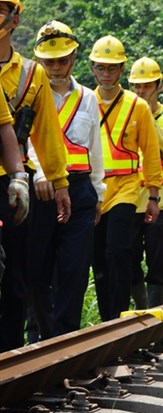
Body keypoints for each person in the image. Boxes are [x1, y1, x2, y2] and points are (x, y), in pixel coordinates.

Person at [0, 0, 70, 352]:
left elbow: (46, 134)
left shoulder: (30, 75)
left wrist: (59, 184)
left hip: (12, 182)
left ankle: (9, 354)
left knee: (15, 273)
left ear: (14, 19)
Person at [26, 21, 105, 339]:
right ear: (40, 61)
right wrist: (42, 174)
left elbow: (94, 148)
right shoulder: (28, 94)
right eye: (49, 61)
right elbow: (26, 141)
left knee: (74, 268)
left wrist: (98, 192)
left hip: (80, 187)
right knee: (37, 268)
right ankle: (39, 339)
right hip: (40, 189)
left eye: (63, 60)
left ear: (74, 58)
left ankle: (66, 340)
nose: (56, 67)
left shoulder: (88, 98)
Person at [91, 36, 162, 323]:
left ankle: (119, 317)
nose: (106, 74)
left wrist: (154, 196)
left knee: (118, 250)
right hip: (94, 189)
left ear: (122, 69)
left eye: (112, 68)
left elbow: (151, 152)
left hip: (126, 188)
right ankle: (107, 317)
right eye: (101, 68)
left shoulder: (138, 106)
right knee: (99, 257)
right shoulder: (83, 100)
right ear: (93, 69)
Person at [127, 57, 163, 308]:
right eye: (137, 86)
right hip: (128, 196)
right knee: (127, 255)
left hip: (162, 198)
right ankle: (142, 308)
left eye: (147, 86)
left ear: (159, 85)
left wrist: (148, 120)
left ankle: (156, 310)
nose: (141, 91)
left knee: (159, 255)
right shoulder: (125, 113)